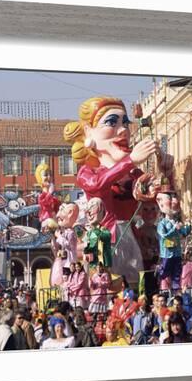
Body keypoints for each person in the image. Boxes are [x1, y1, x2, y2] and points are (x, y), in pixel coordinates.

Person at [64, 96, 169, 284]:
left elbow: (154, 196)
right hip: (105, 240)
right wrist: (130, 161)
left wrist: (165, 171)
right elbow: (98, 185)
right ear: (89, 132)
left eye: (126, 123)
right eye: (112, 122)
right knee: (106, 284)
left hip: (134, 239)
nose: (123, 130)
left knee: (137, 283)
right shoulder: (88, 172)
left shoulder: (133, 173)